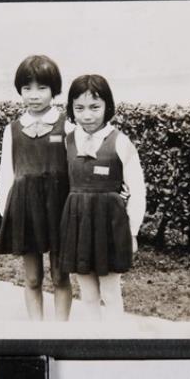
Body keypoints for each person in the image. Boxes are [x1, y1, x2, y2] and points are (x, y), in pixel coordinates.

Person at [59, 74, 146, 320]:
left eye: (95, 107)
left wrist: (132, 232)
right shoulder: (68, 141)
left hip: (109, 226)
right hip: (78, 224)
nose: (87, 115)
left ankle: (115, 339)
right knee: (87, 294)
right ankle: (93, 337)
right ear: (71, 108)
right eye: (79, 108)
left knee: (110, 292)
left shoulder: (120, 142)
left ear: (108, 106)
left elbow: (138, 190)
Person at [0, 55, 73, 321]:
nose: (34, 95)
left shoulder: (67, 126)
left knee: (60, 276)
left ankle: (60, 334)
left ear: (54, 89)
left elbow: (76, 170)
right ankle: (37, 332)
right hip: (26, 209)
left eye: (42, 87)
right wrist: (7, 212)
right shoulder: (12, 130)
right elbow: (7, 172)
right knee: (32, 278)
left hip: (59, 209)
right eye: (27, 88)